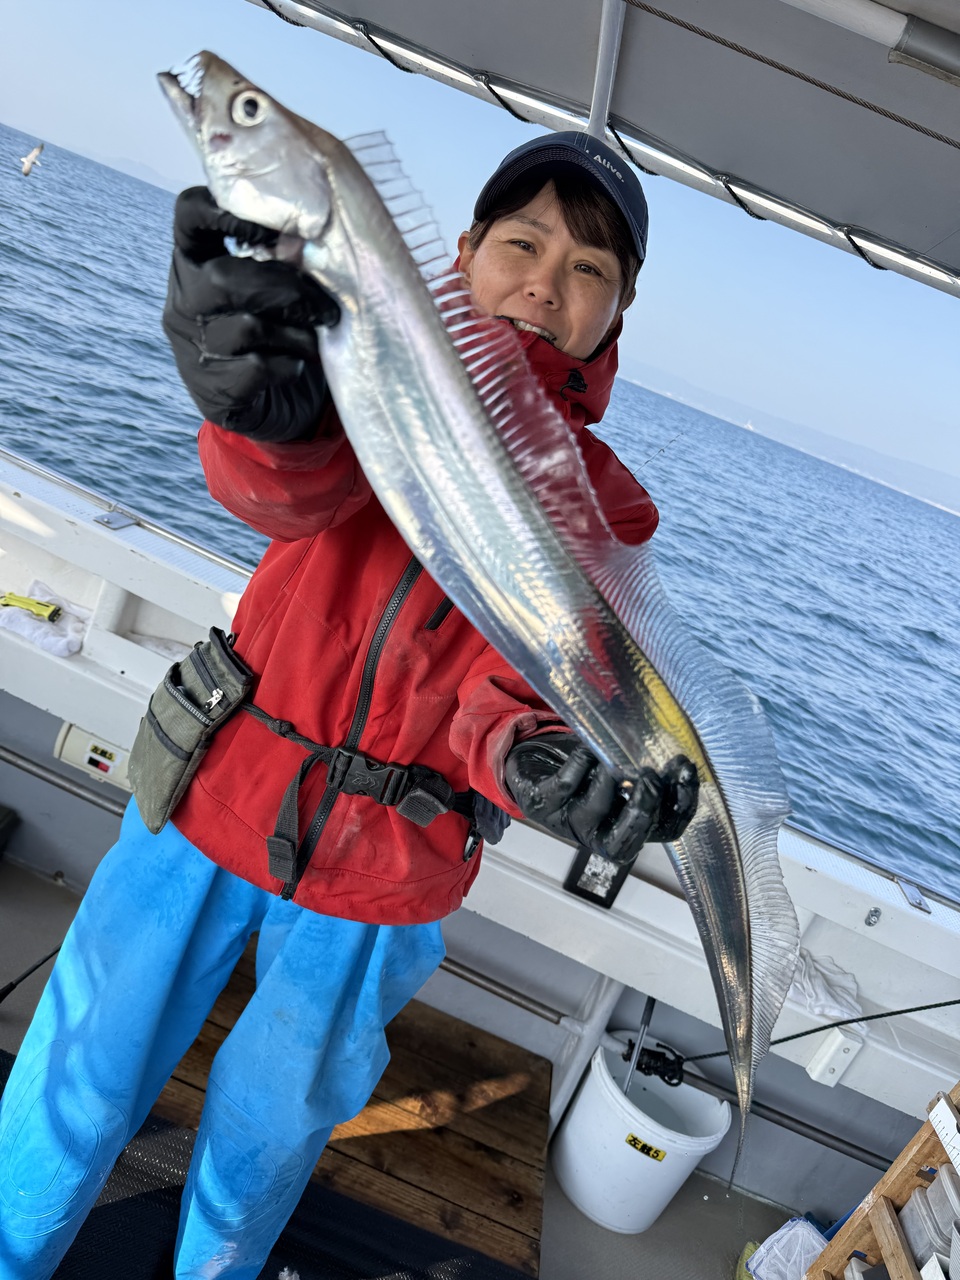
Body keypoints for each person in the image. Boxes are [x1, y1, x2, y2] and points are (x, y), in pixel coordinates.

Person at [0, 131, 697, 1278]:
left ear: (616, 313)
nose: (547, 281)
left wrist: (531, 757)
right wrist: (252, 403)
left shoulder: (607, 509)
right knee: (79, 1071)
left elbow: (523, 682)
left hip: (389, 865)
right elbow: (285, 483)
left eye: (590, 268)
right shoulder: (365, 364)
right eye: (523, 242)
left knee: (266, 1137)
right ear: (463, 255)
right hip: (218, 782)